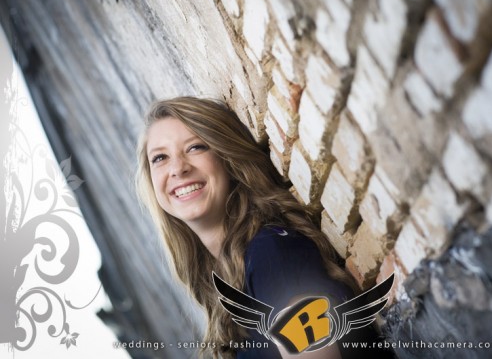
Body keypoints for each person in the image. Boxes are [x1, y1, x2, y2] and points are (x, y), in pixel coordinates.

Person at [135, 96, 393, 358]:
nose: (178, 168)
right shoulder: (234, 284)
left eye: (195, 147)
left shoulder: (271, 254)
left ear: (227, 157)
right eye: (160, 158)